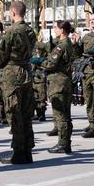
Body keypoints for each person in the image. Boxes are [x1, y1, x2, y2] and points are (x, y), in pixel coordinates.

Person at [0, 1, 36, 165]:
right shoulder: (30, 30)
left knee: (14, 113)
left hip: (12, 74)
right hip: (26, 72)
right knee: (26, 114)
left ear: (12, 12)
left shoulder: (11, 31)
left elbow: (2, 54)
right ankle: (27, 151)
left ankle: (18, 153)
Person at [31, 20, 74, 153]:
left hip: (58, 83)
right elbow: (47, 46)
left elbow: (51, 64)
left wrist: (40, 61)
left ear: (62, 30)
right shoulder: (68, 43)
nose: (54, 30)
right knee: (66, 114)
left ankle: (62, 144)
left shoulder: (62, 46)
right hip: (64, 81)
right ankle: (66, 143)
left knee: (60, 115)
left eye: (56, 27)